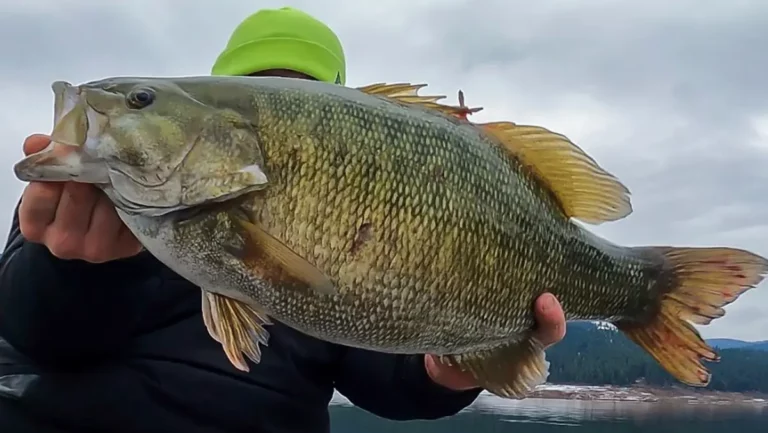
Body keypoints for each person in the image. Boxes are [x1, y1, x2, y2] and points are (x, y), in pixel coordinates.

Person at [0, 7, 566, 433]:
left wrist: (443, 373)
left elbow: (381, 377)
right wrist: (68, 270)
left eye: (309, 105)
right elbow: (29, 336)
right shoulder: (77, 201)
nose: (289, 138)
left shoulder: (357, 220)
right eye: (263, 95)